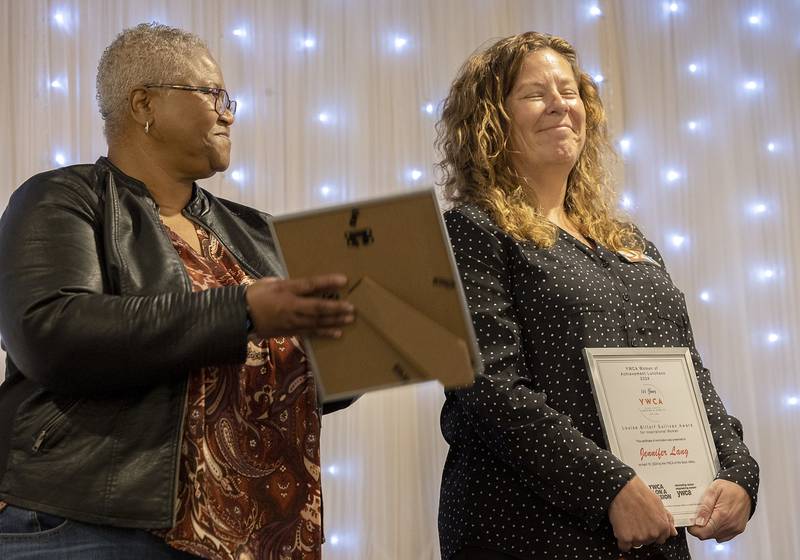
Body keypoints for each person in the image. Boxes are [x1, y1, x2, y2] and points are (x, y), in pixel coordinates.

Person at [0, 23, 355, 560]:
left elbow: (304, 386)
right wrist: (241, 308)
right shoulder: (63, 199)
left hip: (260, 533)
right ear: (145, 104)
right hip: (97, 523)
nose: (229, 113)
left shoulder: (259, 232)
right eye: (213, 94)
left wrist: (364, 338)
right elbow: (52, 334)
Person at [435, 32, 759, 560]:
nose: (560, 105)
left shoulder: (630, 244)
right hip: (530, 531)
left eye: (570, 91)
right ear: (491, 119)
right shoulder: (471, 232)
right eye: (535, 93)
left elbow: (688, 372)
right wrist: (608, 487)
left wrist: (738, 473)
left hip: (652, 530)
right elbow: (487, 390)